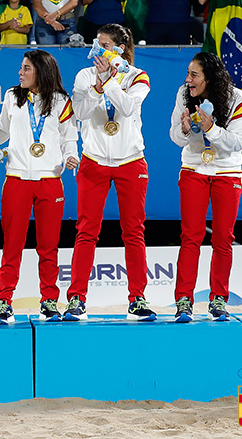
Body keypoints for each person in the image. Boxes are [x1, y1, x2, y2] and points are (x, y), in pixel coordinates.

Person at [65, 24, 155, 322]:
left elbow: (128, 108)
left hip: (131, 161)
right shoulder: (84, 75)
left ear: (118, 49)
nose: (96, 49)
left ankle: (137, 298)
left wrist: (112, 79)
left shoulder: (138, 76)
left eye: (103, 45)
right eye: (96, 43)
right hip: (94, 161)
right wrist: (99, 83)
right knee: (86, 231)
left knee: (134, 231)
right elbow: (80, 113)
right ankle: (76, 298)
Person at [0, 50, 78, 324]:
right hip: (16, 180)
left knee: (48, 247)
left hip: (50, 181)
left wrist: (71, 154)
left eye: (26, 68)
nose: (20, 72)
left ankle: (49, 300)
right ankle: (3, 300)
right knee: (12, 245)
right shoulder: (13, 97)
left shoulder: (61, 101)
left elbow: (69, 137)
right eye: (21, 68)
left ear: (40, 71)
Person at [169, 52, 242, 322]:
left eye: (194, 75)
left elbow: (236, 143)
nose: (187, 80)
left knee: (223, 238)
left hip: (227, 171)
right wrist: (183, 131)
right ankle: (183, 299)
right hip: (194, 168)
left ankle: (218, 299)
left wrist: (211, 129)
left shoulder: (237, 98)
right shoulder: (184, 95)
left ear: (209, 78)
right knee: (190, 236)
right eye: (188, 73)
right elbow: (175, 137)